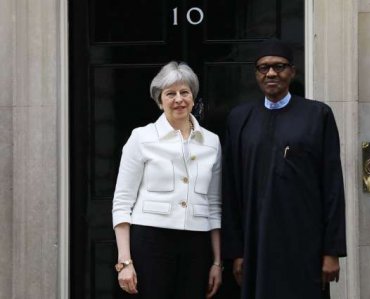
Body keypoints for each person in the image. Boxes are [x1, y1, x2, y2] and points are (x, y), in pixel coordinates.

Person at [221, 39, 347, 299]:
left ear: (293, 72)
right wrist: (236, 252)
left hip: (305, 245)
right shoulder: (240, 119)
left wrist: (331, 251)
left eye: (279, 67)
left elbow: (332, 186)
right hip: (256, 245)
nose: (271, 73)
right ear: (256, 74)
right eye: (263, 67)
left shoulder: (317, 115)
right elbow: (231, 190)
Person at [112, 61, 222, 299]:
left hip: (197, 244)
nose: (179, 99)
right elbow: (122, 202)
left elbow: (214, 205)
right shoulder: (141, 138)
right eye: (170, 94)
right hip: (151, 241)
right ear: (160, 101)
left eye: (185, 92)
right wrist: (125, 261)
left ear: (194, 98)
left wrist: (217, 261)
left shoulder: (212, 142)